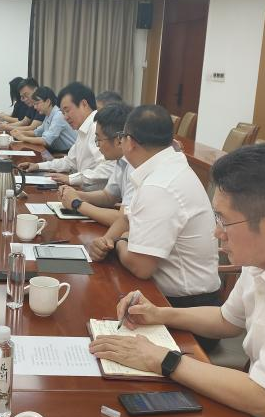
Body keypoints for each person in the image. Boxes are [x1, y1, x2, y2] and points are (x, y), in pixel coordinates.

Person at [90, 144, 265, 417]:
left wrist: (161, 359)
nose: (217, 232)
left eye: (223, 220)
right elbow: (227, 320)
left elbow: (262, 398)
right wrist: (159, 314)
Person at [89, 105, 220, 350]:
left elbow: (141, 267)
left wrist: (119, 243)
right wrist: (106, 240)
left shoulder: (160, 186)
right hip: (171, 300)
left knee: (93, 326)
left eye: (122, 137)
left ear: (129, 142)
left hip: (186, 313)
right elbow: (127, 218)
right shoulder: (164, 168)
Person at [18, 82, 114, 191]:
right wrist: (38, 166)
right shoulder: (83, 129)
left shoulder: (96, 127)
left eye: (67, 111)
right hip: (82, 191)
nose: (65, 117)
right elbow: (69, 162)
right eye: (63, 113)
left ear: (84, 104)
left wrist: (71, 179)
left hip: (94, 196)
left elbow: (108, 167)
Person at [59, 103, 134, 226]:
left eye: (98, 139)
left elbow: (123, 220)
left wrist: (77, 204)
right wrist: (76, 195)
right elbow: (108, 197)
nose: (97, 145)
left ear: (119, 140)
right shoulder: (121, 161)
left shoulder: (135, 165)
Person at [10, 86, 76, 153]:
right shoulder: (48, 115)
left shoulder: (58, 116)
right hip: (56, 150)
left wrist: (23, 138)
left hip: (67, 153)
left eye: (37, 103)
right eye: (34, 104)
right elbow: (37, 132)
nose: (35, 107)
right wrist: (21, 133)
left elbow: (45, 141)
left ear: (48, 101)